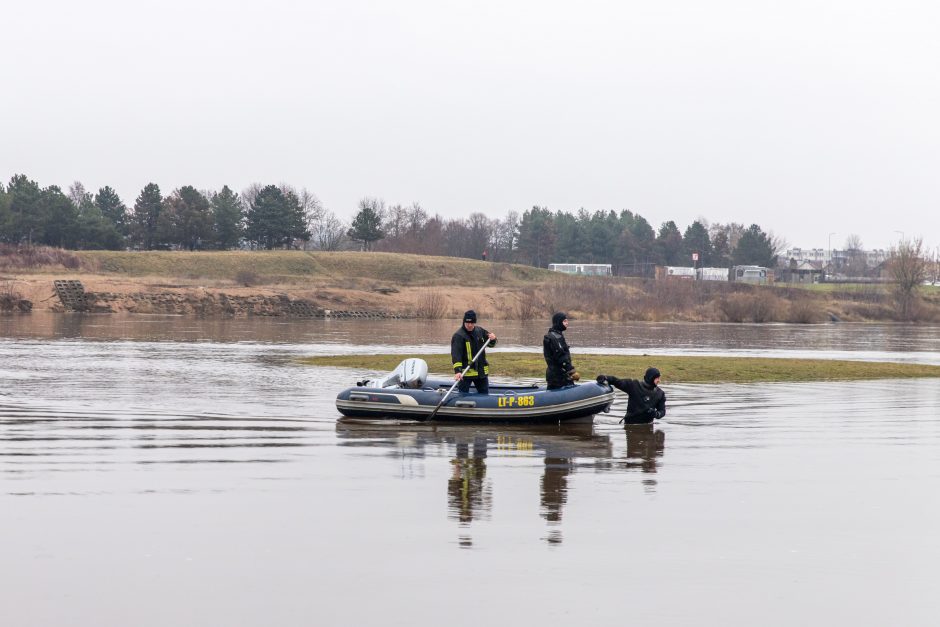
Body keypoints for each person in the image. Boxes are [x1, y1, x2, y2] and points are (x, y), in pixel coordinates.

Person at [596, 368, 666, 424]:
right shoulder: (634, 385)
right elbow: (617, 382)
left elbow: (662, 411)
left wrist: (656, 414)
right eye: (657, 378)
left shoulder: (660, 394)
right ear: (650, 378)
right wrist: (605, 378)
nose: (659, 380)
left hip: (647, 425)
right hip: (630, 424)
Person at [451, 310, 497, 394]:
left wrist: (493, 339)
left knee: (484, 394)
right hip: (466, 373)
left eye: (472, 323)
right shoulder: (459, 336)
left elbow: (491, 344)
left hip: (481, 373)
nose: (469, 325)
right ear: (464, 321)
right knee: (462, 395)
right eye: (467, 323)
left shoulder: (480, 331)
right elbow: (456, 355)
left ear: (474, 322)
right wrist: (458, 371)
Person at [543, 312, 578, 389]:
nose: (567, 323)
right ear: (558, 322)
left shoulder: (555, 335)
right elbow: (561, 357)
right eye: (565, 321)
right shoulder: (555, 337)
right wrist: (572, 371)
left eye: (567, 321)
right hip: (558, 377)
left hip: (555, 375)